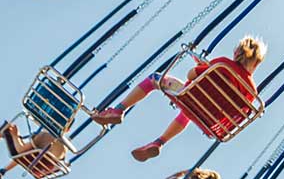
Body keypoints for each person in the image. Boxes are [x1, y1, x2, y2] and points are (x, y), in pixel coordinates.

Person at [88, 35, 267, 160]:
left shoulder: (222, 64)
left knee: (155, 79)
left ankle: (119, 109)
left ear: (236, 52)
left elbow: (191, 75)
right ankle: (159, 142)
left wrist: (203, 66)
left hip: (190, 98)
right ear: (257, 63)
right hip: (209, 120)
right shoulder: (251, 91)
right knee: (188, 112)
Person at [0, 120, 69, 179]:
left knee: (6, 128)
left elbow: (20, 150)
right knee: (30, 150)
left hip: (29, 159)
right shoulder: (65, 147)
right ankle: (2, 171)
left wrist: (14, 135)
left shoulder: (45, 135)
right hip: (39, 167)